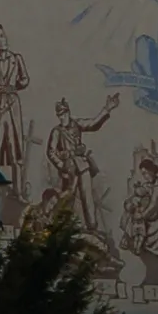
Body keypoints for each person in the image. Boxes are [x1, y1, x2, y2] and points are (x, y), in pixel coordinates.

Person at [44, 93, 119, 235]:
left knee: (87, 197)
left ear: (68, 112)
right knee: (67, 196)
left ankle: (92, 227)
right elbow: (51, 152)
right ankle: (61, 224)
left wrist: (107, 109)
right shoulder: (56, 132)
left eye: (64, 114)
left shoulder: (77, 124)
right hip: (68, 169)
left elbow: (93, 123)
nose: (62, 117)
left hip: (82, 166)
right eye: (59, 115)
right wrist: (61, 165)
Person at [0, 24, 30, 197]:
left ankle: (18, 190)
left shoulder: (17, 58)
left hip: (13, 105)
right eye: (1, 36)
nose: (5, 39)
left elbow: (25, 79)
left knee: (16, 147)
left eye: (5, 36)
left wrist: (14, 86)